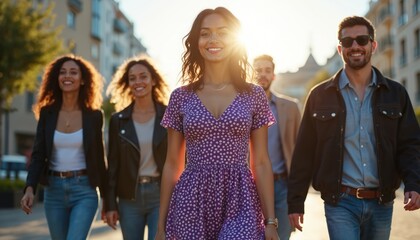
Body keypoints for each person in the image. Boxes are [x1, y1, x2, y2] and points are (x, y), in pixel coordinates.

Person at [287, 16, 420, 240]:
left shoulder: (396, 94)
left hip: (382, 201)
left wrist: (414, 183)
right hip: (340, 202)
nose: (355, 46)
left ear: (373, 45)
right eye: (347, 42)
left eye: (362, 39)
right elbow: (304, 151)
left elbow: (410, 145)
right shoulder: (319, 96)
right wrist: (295, 201)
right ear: (340, 49)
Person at [155, 7, 279, 240]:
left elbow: (261, 161)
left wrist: (270, 221)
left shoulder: (254, 94)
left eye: (222, 33)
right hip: (191, 200)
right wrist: (161, 226)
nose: (213, 39)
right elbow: (172, 163)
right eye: (205, 33)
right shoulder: (181, 96)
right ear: (196, 41)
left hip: (240, 198)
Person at [20, 54, 107, 239]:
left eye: (73, 72)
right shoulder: (47, 113)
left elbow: (100, 159)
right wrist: (30, 188)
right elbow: (38, 155)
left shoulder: (94, 116)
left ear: (83, 80)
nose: (67, 76)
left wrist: (109, 200)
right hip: (53, 191)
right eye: (63, 72)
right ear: (56, 78)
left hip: (85, 190)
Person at [104, 56, 169, 239]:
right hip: (129, 198)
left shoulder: (168, 114)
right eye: (132, 78)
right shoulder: (118, 120)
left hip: (161, 195)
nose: (138, 82)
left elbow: (180, 158)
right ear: (128, 83)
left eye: (143, 76)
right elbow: (113, 166)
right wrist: (110, 204)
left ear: (153, 80)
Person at [253, 54, 301, 240]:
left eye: (267, 71)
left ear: (274, 75)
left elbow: (299, 151)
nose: (262, 75)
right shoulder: (240, 109)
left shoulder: (291, 107)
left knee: (280, 237)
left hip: (282, 185)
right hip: (251, 185)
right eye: (258, 70)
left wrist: (297, 194)